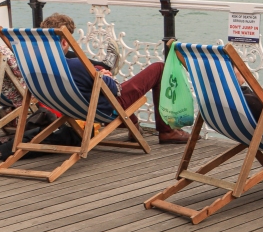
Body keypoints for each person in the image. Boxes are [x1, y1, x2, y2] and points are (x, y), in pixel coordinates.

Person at [38, 13, 189, 144]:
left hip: (70, 108)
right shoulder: (76, 66)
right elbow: (113, 89)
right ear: (65, 42)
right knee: (158, 68)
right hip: (103, 109)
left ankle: (134, 127)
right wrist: (104, 75)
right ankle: (166, 131)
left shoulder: (38, 66)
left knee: (120, 89)